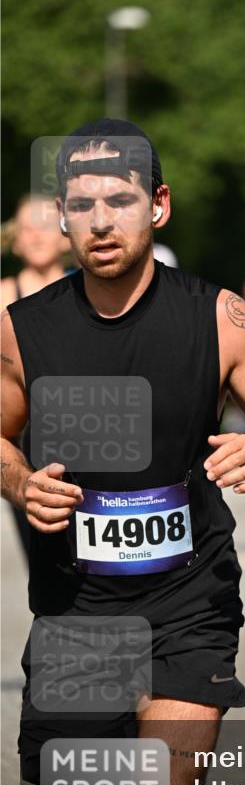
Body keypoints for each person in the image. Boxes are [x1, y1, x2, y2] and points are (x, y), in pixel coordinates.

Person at [0, 118, 245, 785]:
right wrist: (20, 482)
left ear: (159, 205)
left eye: (119, 200)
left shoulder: (220, 317)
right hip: (79, 609)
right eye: (81, 204)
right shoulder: (23, 330)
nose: (100, 221)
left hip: (189, 598)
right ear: (63, 215)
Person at [1, 195, 71, 560]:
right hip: (25, 446)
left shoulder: (92, 290)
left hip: (92, 436)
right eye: (27, 229)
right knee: (46, 559)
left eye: (45, 226)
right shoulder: (2, 297)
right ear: (15, 240)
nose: (37, 235)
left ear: (65, 235)